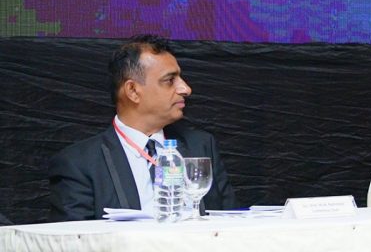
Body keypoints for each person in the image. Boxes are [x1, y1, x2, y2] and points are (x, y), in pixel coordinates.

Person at [48, 35, 236, 222]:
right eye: (170, 80)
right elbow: (74, 237)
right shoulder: (80, 163)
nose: (185, 89)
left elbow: (230, 223)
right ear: (133, 91)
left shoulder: (201, 146)